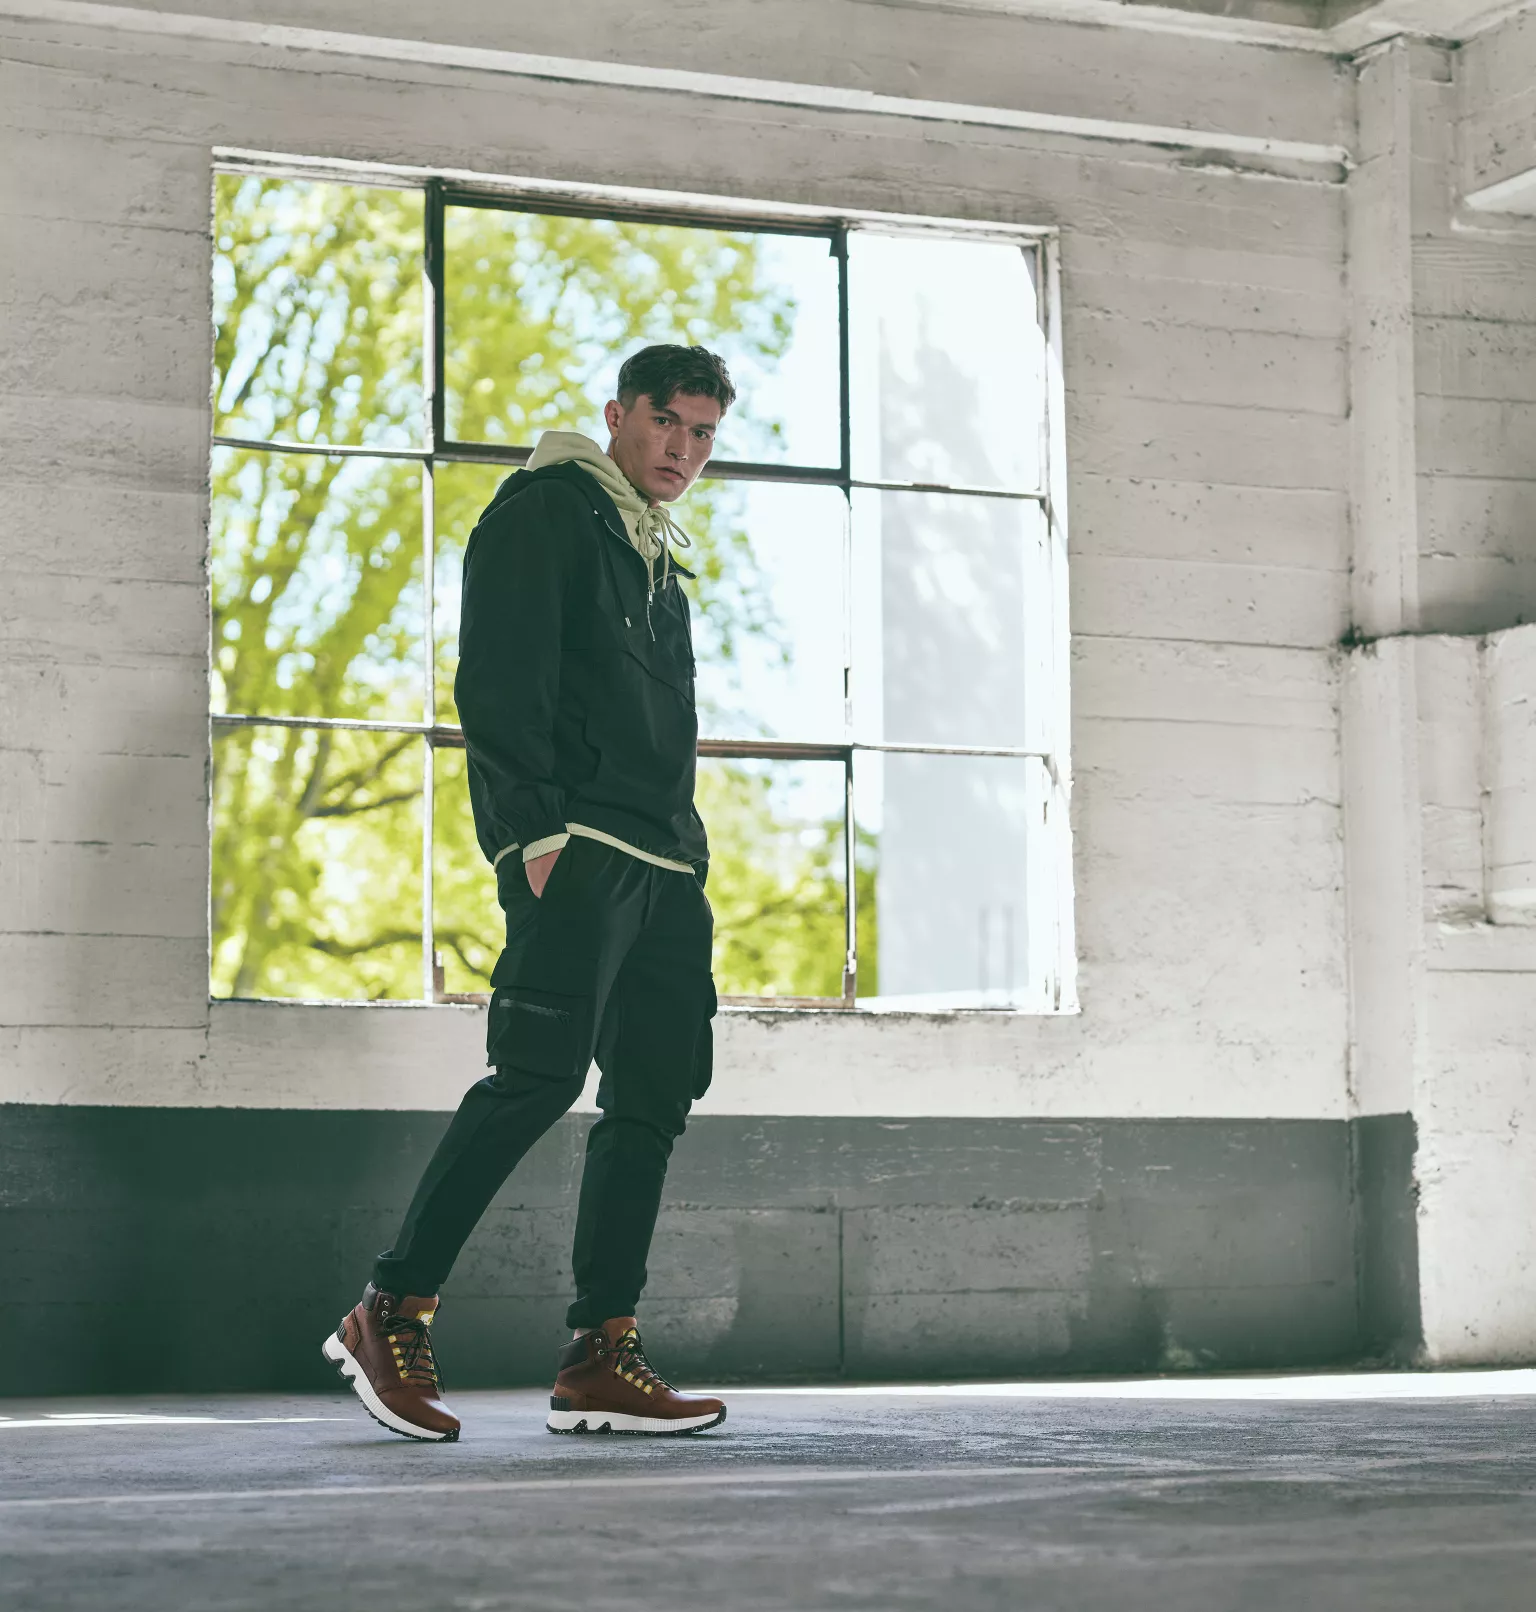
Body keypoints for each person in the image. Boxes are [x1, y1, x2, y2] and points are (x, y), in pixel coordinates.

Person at [322, 344, 734, 1440]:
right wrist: (532, 834)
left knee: (653, 1097)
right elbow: (500, 677)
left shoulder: (657, 551)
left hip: (665, 864)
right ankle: (390, 1308)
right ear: (618, 414)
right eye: (667, 422)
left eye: (702, 433)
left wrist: (688, 858)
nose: (683, 449)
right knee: (537, 1075)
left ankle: (601, 1353)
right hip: (578, 847)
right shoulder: (545, 512)